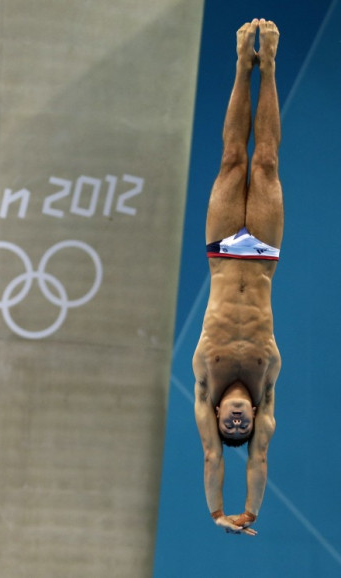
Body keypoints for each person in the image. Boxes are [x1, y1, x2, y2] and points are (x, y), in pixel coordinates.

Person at [192, 19, 282, 536]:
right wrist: (250, 511)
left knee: (231, 160)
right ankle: (267, 67)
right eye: (239, 427)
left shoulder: (207, 382)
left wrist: (217, 512)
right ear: (250, 422)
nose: (236, 422)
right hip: (263, 257)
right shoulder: (266, 392)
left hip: (225, 254)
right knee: (265, 164)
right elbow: (258, 462)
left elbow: (211, 460)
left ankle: (237, 66)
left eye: (230, 424)